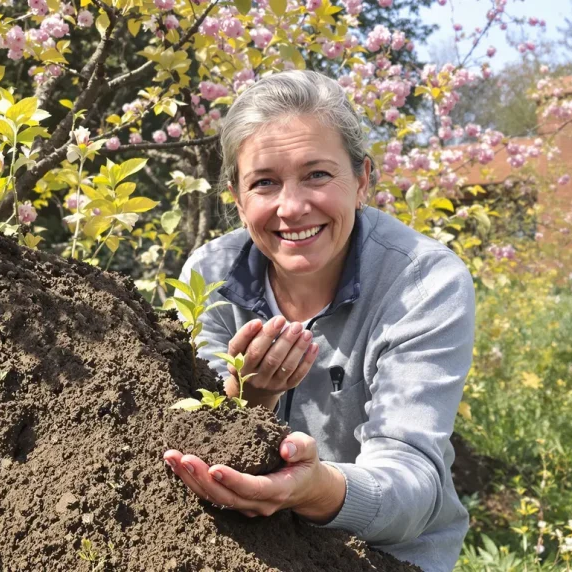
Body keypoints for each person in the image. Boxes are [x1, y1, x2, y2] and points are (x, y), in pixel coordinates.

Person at [162, 70, 475, 572]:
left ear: (363, 180)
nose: (292, 207)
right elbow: (197, 429)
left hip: (386, 556)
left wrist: (315, 488)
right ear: (237, 198)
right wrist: (252, 402)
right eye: (264, 182)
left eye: (318, 175)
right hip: (247, 545)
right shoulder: (209, 277)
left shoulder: (423, 282)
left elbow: (414, 480)